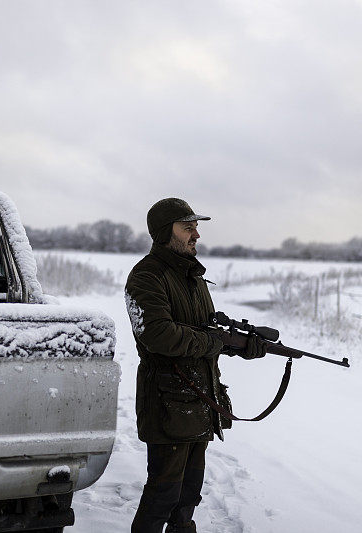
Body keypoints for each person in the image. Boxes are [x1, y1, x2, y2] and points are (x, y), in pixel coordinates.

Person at [125, 198, 267, 533]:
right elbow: (157, 335)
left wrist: (241, 345)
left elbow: (205, 331)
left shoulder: (193, 277)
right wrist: (214, 342)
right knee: (162, 494)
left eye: (196, 227)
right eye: (187, 227)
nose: (196, 234)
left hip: (199, 399)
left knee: (188, 495)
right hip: (167, 402)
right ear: (165, 232)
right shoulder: (147, 276)